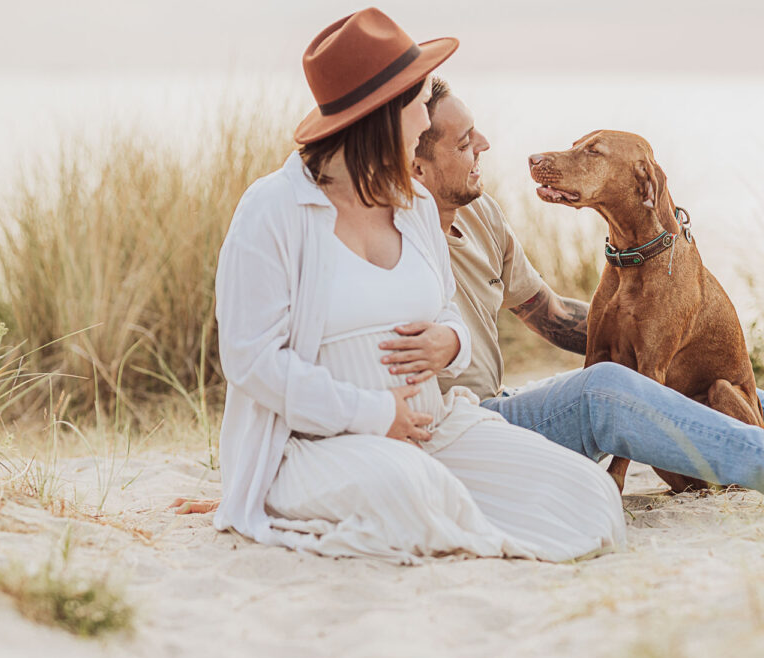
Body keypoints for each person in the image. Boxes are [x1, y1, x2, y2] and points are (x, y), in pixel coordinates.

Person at [375, 76, 764, 508]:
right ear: (417, 168)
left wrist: (662, 323)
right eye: (464, 143)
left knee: (702, 375)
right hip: (469, 423)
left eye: (477, 133)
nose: (485, 146)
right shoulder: (384, 239)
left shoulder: (482, 219)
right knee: (617, 388)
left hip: (507, 398)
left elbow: (554, 316)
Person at [206, 8, 625, 564]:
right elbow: (250, 360)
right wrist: (376, 415)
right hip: (313, 445)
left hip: (436, 426)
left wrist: (451, 342)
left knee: (586, 492)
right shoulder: (274, 210)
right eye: (417, 106)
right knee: (410, 491)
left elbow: (447, 309)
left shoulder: (416, 203)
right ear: (381, 116)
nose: (425, 125)